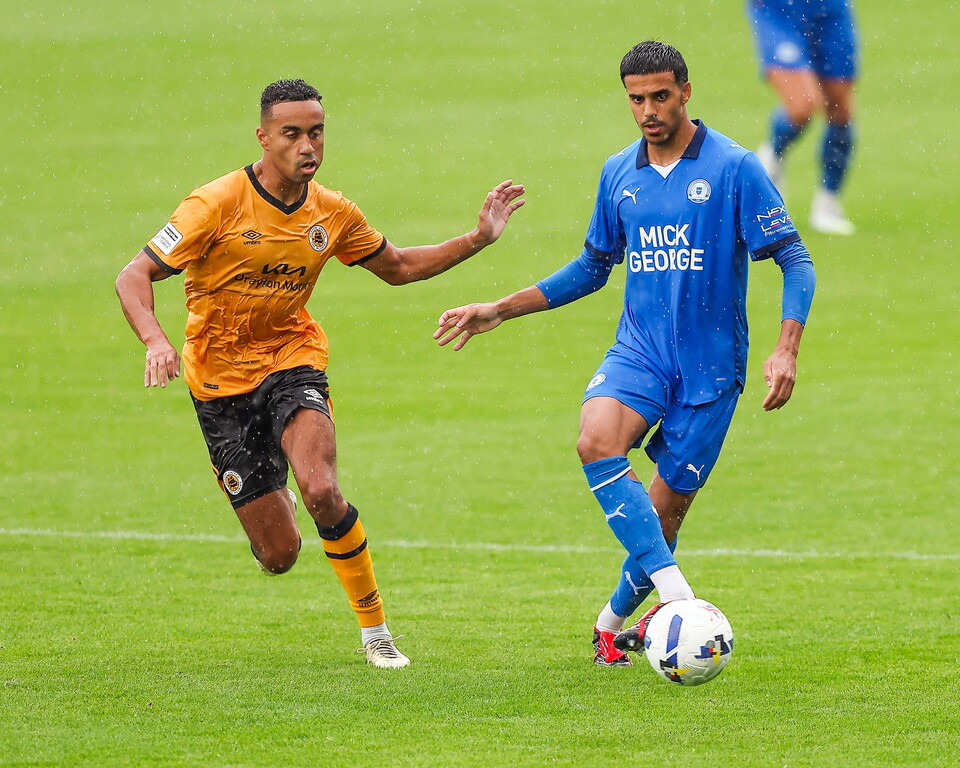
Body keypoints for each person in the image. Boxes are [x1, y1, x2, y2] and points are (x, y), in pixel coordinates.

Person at [115, 79, 524, 669]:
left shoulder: (332, 213)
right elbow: (134, 275)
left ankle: (376, 632)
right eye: (292, 134)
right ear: (263, 137)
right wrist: (155, 340)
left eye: (317, 132)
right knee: (278, 555)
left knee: (323, 488)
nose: (308, 146)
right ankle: (266, 482)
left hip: (291, 360)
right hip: (219, 385)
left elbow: (401, 267)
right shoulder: (214, 204)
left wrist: (480, 237)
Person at [434, 41, 815, 666]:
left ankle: (610, 624)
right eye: (636, 99)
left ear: (685, 92)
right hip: (639, 351)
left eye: (660, 96)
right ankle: (682, 603)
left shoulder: (734, 168)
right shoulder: (619, 173)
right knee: (595, 440)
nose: (648, 110)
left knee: (660, 520)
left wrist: (786, 348)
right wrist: (498, 308)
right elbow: (592, 267)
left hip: (711, 369)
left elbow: (795, 260)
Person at [747, 0, 860, 235]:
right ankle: (773, 155)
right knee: (802, 105)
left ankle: (828, 203)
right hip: (779, 10)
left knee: (841, 107)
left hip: (831, 9)